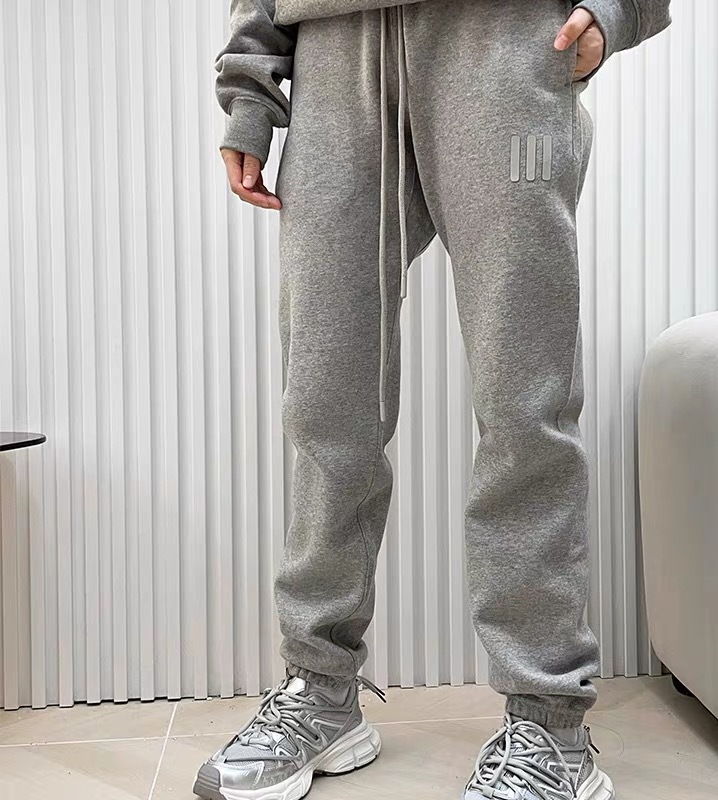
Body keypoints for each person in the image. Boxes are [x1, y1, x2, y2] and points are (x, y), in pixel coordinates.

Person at [194, 1, 671, 798]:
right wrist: (250, 90)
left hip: (501, 45)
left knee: (525, 407)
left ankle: (549, 723)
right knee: (325, 408)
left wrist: (617, 10)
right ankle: (321, 689)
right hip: (333, 59)